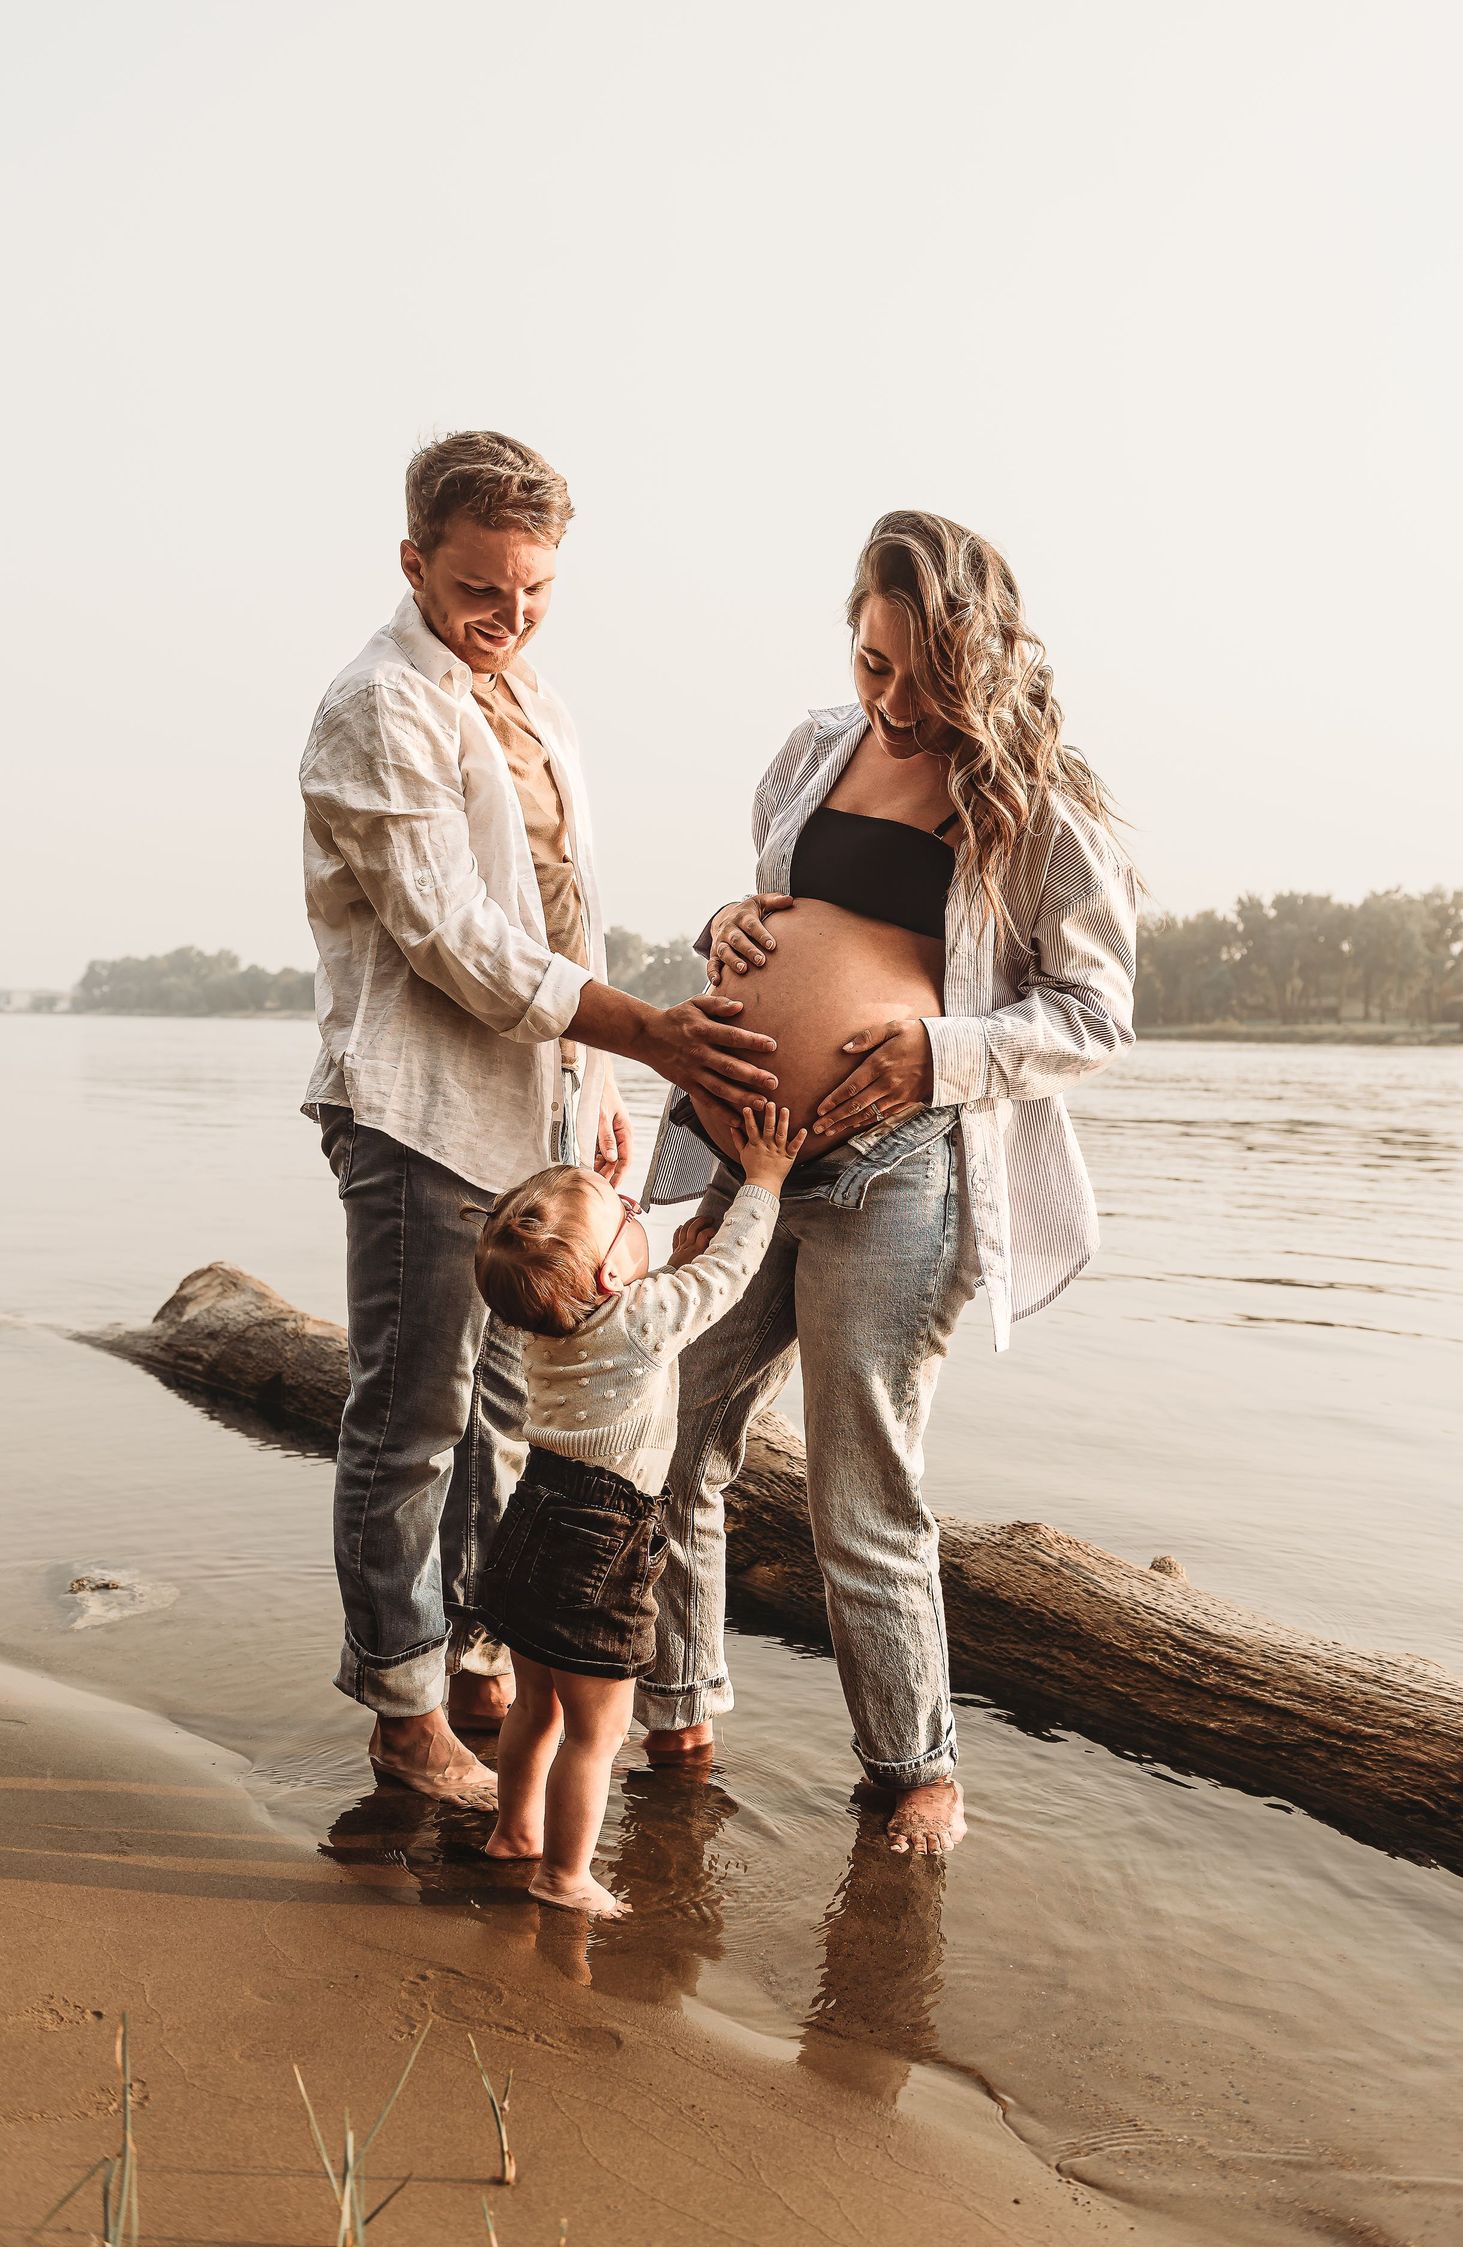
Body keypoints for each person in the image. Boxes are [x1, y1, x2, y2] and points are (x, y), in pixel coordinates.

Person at [636, 509, 1138, 1854]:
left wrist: (936, 1049)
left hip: (900, 1174)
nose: (898, 703)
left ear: (981, 654)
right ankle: (676, 1714)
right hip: (749, 1152)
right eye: (874, 666)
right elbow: (793, 914)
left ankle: (916, 1762)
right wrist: (732, 922)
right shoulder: (811, 748)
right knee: (671, 1426)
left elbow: (1096, 1014)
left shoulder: (1041, 802)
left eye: (927, 674)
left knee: (858, 1483)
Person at [300, 430, 779, 1807]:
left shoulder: (536, 702)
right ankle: (402, 1704)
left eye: (533, 591)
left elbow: (565, 910)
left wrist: (605, 1084)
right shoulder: (376, 707)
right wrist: (645, 1023)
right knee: (409, 1418)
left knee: (509, 1415)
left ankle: (475, 1651)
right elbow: (453, 937)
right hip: (414, 1110)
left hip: (536, 1110)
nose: (507, 617)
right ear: (414, 561)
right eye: (479, 590)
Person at [470, 1106, 805, 1914]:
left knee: (538, 1704)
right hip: (603, 1539)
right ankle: (564, 1874)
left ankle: (515, 1830)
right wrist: (762, 1179)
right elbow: (731, 1270)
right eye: (626, 1215)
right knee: (599, 1731)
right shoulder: (646, 1318)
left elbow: (599, 1293)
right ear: (614, 1278)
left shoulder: (533, 1321)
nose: (633, 1211)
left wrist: (622, 1237)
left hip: (531, 1520)